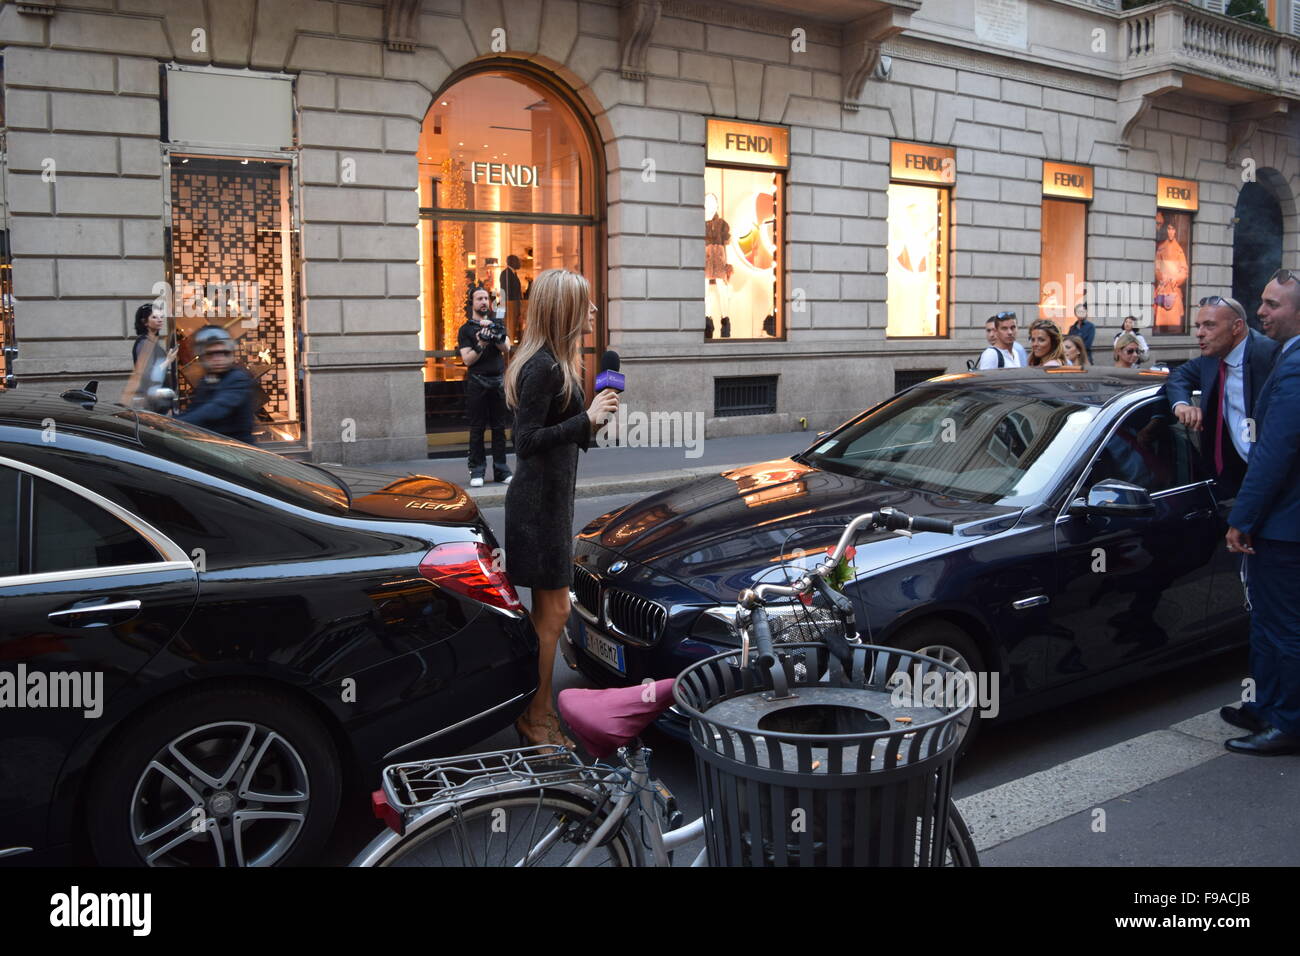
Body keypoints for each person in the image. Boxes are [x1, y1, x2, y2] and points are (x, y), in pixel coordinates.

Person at [504, 270, 619, 748]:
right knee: (551, 618)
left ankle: (537, 710)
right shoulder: (544, 367)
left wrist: (591, 424)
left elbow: (560, 434)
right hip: (538, 511)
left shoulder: (559, 364)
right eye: (586, 304)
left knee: (549, 617)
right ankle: (535, 716)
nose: (594, 311)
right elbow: (526, 441)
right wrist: (584, 419)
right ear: (566, 311)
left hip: (550, 505)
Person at [1223, 269, 1300, 755]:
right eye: (1262, 302)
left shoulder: (1296, 365)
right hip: (1283, 523)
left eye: (1273, 304)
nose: (1262, 312)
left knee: (1283, 628)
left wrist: (1242, 518)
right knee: (1270, 624)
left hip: (1285, 526)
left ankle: (1287, 724)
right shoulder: (1288, 357)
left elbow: (1276, 452)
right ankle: (1266, 706)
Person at [1164, 295, 1279, 495]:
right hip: (1228, 482)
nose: (1199, 333)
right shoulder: (1211, 358)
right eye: (1198, 326)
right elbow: (1179, 375)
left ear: (1237, 327)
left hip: (1273, 480)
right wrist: (1181, 404)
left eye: (1209, 325)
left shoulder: (1271, 355)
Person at [458, 288, 512, 487]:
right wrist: (480, 343)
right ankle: (477, 471)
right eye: (479, 298)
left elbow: (506, 348)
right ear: (471, 303)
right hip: (477, 382)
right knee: (477, 429)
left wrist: (496, 336)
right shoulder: (466, 330)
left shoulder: (497, 324)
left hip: (497, 381)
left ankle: (501, 470)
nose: (483, 302)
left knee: (499, 428)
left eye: (486, 299)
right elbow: (467, 360)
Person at [177, 325, 255, 443]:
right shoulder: (207, 379)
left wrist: (175, 425)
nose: (218, 358)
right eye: (211, 354)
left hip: (239, 452)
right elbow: (194, 409)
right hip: (216, 448)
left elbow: (213, 410)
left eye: (223, 353)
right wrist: (165, 422)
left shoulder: (238, 378)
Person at [130, 302, 177, 413]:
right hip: (153, 403)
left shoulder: (151, 342)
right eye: (154, 317)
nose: (160, 320)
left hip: (158, 401)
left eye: (161, 316)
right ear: (144, 322)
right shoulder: (144, 343)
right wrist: (168, 360)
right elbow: (148, 373)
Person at [1155, 221, 1189, 331]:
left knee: (1175, 321)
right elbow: (1156, 267)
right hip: (1163, 286)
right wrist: (1161, 277)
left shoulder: (1179, 250)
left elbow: (1184, 270)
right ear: (1166, 231)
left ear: (1175, 231)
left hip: (1174, 287)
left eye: (1172, 229)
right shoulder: (1161, 248)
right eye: (1168, 229)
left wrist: (1176, 279)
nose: (1170, 232)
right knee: (1161, 320)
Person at [499, 254, 525, 342]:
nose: (520, 263)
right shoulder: (505, 274)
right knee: (510, 327)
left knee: (516, 327)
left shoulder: (513, 273)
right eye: (518, 261)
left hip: (515, 305)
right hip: (510, 306)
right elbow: (504, 291)